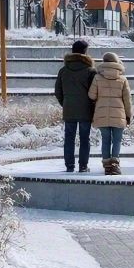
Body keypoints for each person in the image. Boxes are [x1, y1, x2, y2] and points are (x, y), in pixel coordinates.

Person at [54, 39, 96, 172]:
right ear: (85, 52)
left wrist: (65, 103)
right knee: (85, 139)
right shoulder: (90, 71)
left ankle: (69, 166)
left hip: (69, 109)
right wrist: (92, 106)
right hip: (86, 110)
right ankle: (83, 166)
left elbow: (58, 91)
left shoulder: (63, 70)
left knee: (69, 138)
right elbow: (94, 92)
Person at [89, 51, 132, 175]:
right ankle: (115, 165)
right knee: (117, 140)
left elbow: (91, 95)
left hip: (102, 113)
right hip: (119, 114)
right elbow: (127, 100)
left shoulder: (97, 78)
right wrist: (128, 115)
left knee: (105, 140)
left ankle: (107, 166)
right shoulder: (123, 79)